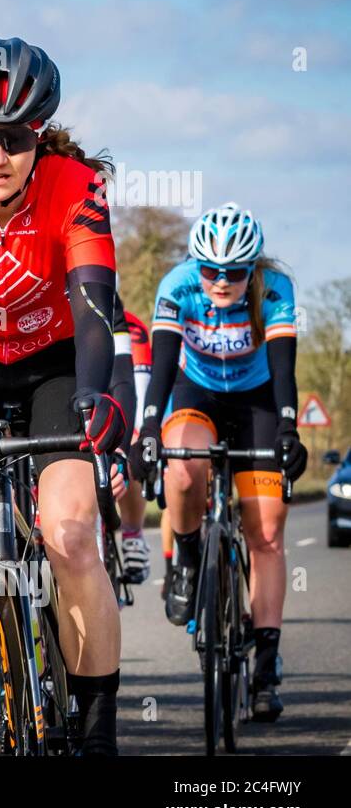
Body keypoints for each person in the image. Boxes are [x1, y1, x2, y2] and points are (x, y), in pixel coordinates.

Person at [0, 36, 126, 755]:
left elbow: (93, 312)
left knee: (72, 533)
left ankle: (98, 730)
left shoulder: (76, 186)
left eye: (13, 140)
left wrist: (92, 397)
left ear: (38, 137)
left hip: (56, 363)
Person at [130, 204, 303, 722]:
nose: (221, 282)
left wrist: (290, 427)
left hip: (257, 399)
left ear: (253, 267)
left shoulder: (273, 288)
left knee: (267, 532)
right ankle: (185, 560)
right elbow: (160, 366)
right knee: (183, 468)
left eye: (234, 272)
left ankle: (267, 668)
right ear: (195, 263)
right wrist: (146, 430)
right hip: (196, 390)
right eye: (211, 270)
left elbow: (282, 368)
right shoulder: (178, 284)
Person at [111, 293, 152, 583]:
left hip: (118, 393)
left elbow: (136, 386)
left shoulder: (132, 328)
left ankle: (133, 533)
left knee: (132, 438)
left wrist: (130, 439)